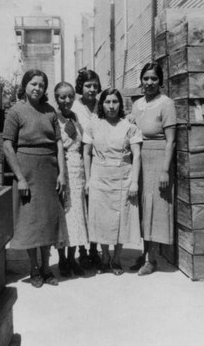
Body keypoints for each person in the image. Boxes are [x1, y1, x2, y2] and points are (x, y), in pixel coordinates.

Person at [2, 69, 67, 288]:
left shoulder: (50, 111)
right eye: (33, 84)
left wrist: (62, 173)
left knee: (47, 220)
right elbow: (7, 145)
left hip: (49, 171)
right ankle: (33, 268)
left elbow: (58, 143)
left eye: (41, 85)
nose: (37, 88)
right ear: (25, 85)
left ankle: (47, 267)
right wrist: (20, 178)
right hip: (26, 171)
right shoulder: (15, 112)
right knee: (30, 221)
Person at [83, 88, 143, 275]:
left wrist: (134, 182)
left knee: (121, 218)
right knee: (101, 219)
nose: (111, 106)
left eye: (115, 102)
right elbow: (86, 153)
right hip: (99, 177)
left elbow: (137, 155)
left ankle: (116, 259)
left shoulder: (129, 126)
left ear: (121, 104)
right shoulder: (93, 125)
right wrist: (88, 180)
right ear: (102, 104)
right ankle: (105, 257)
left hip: (122, 177)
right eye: (107, 102)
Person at [130, 62, 176, 275]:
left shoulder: (166, 104)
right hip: (139, 159)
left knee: (155, 209)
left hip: (158, 158)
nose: (149, 83)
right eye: (146, 78)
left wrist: (165, 170)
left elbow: (171, 141)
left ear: (160, 81)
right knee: (142, 207)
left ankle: (152, 259)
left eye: (154, 79)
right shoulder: (137, 104)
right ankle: (144, 253)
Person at [54, 82, 89, 277]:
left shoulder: (75, 118)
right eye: (62, 97)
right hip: (62, 169)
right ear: (56, 98)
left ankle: (73, 258)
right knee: (65, 215)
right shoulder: (53, 118)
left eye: (70, 96)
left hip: (77, 170)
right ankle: (62, 260)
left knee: (77, 215)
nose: (67, 100)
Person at [71, 68, 103, 270]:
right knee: (82, 207)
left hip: (101, 161)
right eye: (88, 86)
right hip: (80, 162)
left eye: (95, 86)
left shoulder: (103, 105)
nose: (92, 89)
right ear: (80, 88)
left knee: (97, 207)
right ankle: (82, 251)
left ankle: (94, 250)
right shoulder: (74, 107)